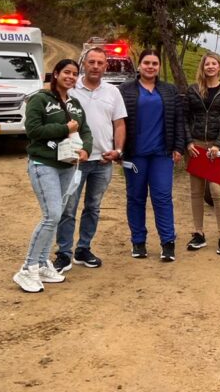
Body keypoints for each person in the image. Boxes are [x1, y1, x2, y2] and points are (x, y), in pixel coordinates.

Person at [13, 58, 91, 293]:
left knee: (57, 216)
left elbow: (85, 130)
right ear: (55, 74)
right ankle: (27, 268)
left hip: (67, 165)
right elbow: (33, 130)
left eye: (75, 73)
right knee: (52, 215)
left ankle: (43, 262)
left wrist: (86, 148)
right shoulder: (39, 99)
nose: (71, 76)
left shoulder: (75, 104)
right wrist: (64, 129)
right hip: (43, 163)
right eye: (66, 72)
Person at [53, 47, 127, 273]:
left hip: (102, 161)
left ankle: (83, 248)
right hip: (74, 161)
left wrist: (118, 150)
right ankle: (63, 253)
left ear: (106, 66)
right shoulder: (70, 88)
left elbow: (120, 123)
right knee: (68, 208)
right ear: (83, 64)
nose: (95, 66)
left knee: (93, 207)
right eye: (91, 62)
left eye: (100, 63)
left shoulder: (113, 92)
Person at [117, 49, 186, 263]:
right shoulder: (125, 90)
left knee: (162, 198)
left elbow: (178, 120)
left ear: (158, 67)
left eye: (155, 63)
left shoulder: (169, 90)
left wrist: (178, 147)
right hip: (135, 154)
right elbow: (117, 121)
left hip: (161, 154)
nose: (150, 66)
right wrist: (118, 148)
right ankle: (138, 242)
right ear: (139, 66)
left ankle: (168, 242)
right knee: (136, 198)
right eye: (146, 62)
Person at [184, 52, 220, 255]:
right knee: (196, 192)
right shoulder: (193, 89)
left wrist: (219, 144)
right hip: (196, 145)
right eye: (207, 64)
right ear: (203, 67)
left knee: (217, 191)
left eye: (214, 64)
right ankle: (199, 233)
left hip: (218, 147)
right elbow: (185, 118)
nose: (211, 67)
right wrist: (188, 142)